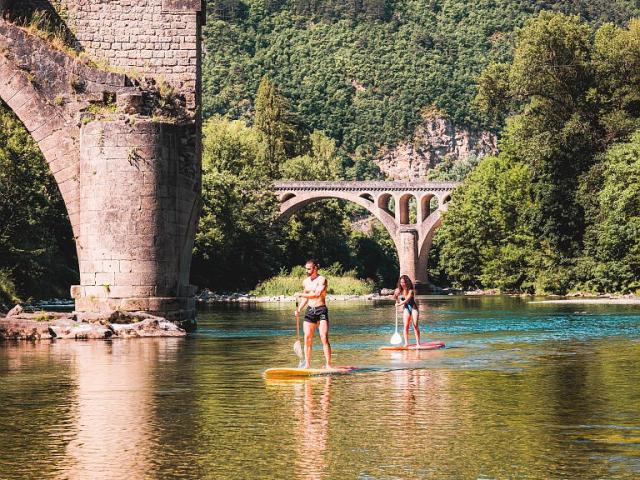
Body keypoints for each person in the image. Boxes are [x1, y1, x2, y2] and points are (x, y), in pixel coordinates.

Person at [295, 259, 331, 369]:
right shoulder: (305, 282)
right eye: (306, 269)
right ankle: (307, 365)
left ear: (315, 268)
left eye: (309, 269)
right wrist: (299, 309)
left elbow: (317, 294)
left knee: (323, 337)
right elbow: (306, 299)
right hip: (310, 311)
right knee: (307, 338)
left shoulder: (322, 280)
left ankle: (328, 365)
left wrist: (301, 294)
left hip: (321, 310)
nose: (307, 271)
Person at [394, 274, 421, 347]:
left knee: (415, 325)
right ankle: (406, 343)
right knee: (406, 326)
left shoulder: (411, 291)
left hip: (413, 308)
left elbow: (407, 300)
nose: (403, 284)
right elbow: (395, 298)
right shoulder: (399, 290)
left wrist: (399, 304)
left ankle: (418, 343)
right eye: (401, 282)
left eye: (404, 282)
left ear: (407, 282)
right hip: (406, 309)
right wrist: (395, 296)